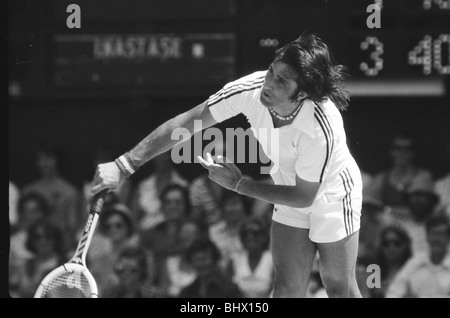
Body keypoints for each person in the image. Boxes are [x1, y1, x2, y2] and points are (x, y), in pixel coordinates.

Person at [91, 34, 363, 297]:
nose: (268, 84)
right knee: (286, 290)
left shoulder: (321, 126)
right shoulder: (250, 90)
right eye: (271, 72)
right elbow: (186, 123)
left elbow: (305, 196)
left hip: (333, 195)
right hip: (287, 188)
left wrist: (240, 185)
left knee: (339, 288)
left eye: (281, 81)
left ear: (302, 92)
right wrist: (124, 165)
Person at [385, 215, 450, 298]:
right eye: (433, 234)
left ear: (448, 238)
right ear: (427, 236)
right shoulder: (415, 263)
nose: (436, 239)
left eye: (441, 234)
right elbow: (393, 292)